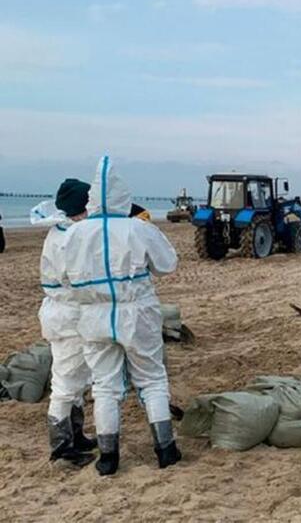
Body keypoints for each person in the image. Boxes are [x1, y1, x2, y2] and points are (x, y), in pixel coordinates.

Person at [61, 156, 180, 476]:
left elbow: (64, 278)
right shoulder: (138, 229)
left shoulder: (74, 234)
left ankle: (109, 457)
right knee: (153, 379)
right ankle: (165, 449)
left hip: (94, 318)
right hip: (137, 314)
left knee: (104, 386)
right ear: (122, 195)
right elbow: (168, 265)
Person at [31, 187, 98, 468]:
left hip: (72, 315)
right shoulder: (66, 238)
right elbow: (76, 279)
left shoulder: (64, 232)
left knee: (79, 379)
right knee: (65, 382)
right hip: (67, 317)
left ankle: (77, 435)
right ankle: (61, 448)